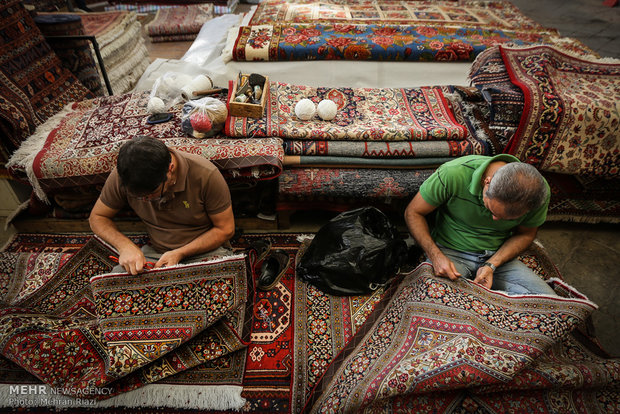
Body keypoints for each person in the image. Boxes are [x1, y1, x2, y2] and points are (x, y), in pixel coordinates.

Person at [404, 154, 556, 296]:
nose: (495, 219)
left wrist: (492, 265)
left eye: (507, 219)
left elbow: (526, 233)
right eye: (492, 210)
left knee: (551, 307)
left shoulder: (537, 193)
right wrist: (435, 256)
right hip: (449, 252)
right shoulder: (453, 173)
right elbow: (413, 213)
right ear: (486, 182)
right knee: (431, 296)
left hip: (499, 258)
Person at [89, 136, 235, 275]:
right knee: (117, 286)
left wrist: (180, 253)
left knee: (219, 287)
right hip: (157, 255)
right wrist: (125, 246)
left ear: (170, 169)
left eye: (152, 194)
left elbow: (225, 229)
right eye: (138, 197)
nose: (145, 200)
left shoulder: (205, 174)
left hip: (205, 252)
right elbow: (98, 217)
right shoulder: (126, 174)